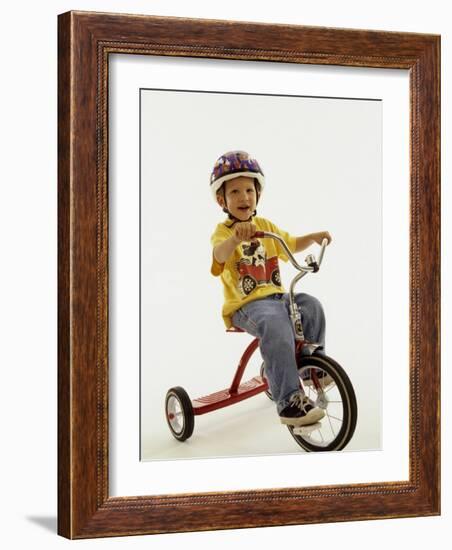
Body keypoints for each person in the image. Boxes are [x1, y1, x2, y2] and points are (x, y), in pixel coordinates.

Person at [210, 150, 332, 427]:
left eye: (249, 190)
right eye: (235, 192)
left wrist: (310, 238)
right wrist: (233, 240)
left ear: (258, 195)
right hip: (246, 306)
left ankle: (310, 364)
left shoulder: (265, 226)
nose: (244, 197)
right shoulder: (223, 232)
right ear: (222, 200)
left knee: (310, 305)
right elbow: (218, 256)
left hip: (277, 298)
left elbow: (288, 243)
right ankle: (289, 401)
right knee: (276, 324)